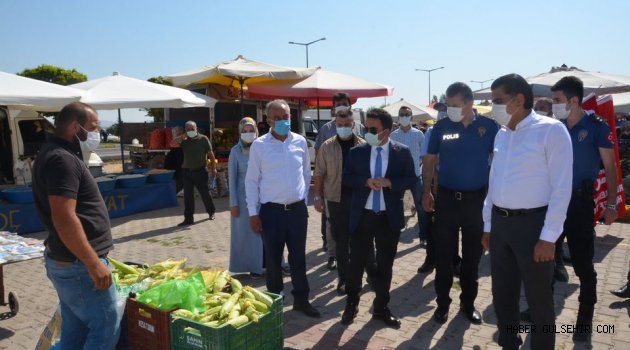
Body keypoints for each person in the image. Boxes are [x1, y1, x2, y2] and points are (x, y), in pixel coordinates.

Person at [483, 74, 573, 350]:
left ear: (519, 100)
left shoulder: (551, 130)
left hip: (534, 227)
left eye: (498, 100)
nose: (493, 106)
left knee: (539, 300)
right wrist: (488, 224)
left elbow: (561, 189)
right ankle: (509, 343)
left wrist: (549, 238)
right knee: (503, 294)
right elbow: (494, 181)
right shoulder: (502, 133)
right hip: (501, 225)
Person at [32, 102, 120, 349]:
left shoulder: (56, 153)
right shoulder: (61, 160)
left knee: (75, 329)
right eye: (93, 127)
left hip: (68, 262)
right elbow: (64, 217)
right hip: (78, 265)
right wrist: (93, 263)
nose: (97, 134)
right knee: (105, 327)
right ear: (75, 126)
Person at [422, 82, 498, 325]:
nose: (450, 109)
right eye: (448, 105)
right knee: (444, 257)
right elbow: (430, 161)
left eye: (455, 105)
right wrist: (427, 192)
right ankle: (442, 304)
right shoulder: (441, 128)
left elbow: (498, 163)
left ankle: (468, 303)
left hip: (476, 202)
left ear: (469, 103)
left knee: (472, 257)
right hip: (446, 200)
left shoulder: (489, 127)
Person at [550, 76, 619, 342]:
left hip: (579, 204)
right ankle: (539, 312)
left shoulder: (596, 127)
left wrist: (612, 204)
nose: (553, 106)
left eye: (557, 101)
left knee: (583, 266)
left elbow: (611, 168)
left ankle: (584, 321)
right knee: (544, 261)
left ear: (574, 101)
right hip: (555, 202)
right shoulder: (555, 127)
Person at [340, 108, 416, 328]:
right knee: (356, 264)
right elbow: (347, 179)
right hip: (362, 217)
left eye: (373, 129)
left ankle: (381, 307)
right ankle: (351, 302)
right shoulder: (357, 153)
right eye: (366, 128)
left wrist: (390, 183)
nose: (369, 133)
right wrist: (365, 182)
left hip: (388, 218)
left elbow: (411, 179)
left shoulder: (402, 152)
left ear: (388, 130)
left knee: (385, 265)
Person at [245, 99, 320, 318]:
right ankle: (275, 302)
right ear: (268, 120)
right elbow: (251, 181)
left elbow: (306, 173)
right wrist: (252, 212)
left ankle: (301, 300)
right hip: (271, 213)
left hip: (297, 212)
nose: (282, 121)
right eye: (276, 118)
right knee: (274, 261)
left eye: (285, 117)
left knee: (298, 258)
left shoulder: (299, 142)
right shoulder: (259, 146)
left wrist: (301, 197)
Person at [313, 106, 373, 295]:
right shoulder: (326, 146)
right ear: (335, 124)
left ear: (353, 124)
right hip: (335, 200)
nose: (344, 127)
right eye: (340, 125)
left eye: (347, 124)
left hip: (359, 200)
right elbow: (319, 173)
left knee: (364, 240)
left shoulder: (364, 145)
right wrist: (317, 196)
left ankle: (371, 274)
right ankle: (343, 279)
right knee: (341, 241)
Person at [314, 93, 365, 269]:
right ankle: (333, 255)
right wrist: (317, 195)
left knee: (355, 227)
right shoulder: (325, 130)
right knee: (331, 226)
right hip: (333, 190)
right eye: (338, 105)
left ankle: (354, 256)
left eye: (345, 104)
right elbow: (320, 166)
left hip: (356, 192)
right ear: (333, 109)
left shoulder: (360, 128)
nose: (341, 107)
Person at [229, 117, 264, 278]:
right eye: (245, 131)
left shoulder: (263, 147)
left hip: (263, 196)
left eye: (251, 131)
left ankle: (272, 263)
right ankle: (252, 266)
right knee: (248, 234)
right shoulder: (235, 151)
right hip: (243, 199)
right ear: (240, 132)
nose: (248, 134)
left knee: (267, 231)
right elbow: (232, 178)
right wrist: (233, 203)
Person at [390, 106, 427, 246]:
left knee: (420, 207)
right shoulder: (393, 135)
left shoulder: (419, 134)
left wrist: (417, 165)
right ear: (398, 117)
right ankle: (395, 234)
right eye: (402, 114)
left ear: (412, 117)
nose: (404, 116)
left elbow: (424, 154)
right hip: (399, 177)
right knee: (396, 205)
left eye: (407, 114)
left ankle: (423, 235)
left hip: (415, 176)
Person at [170, 121, 217, 226]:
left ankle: (211, 212)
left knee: (205, 194)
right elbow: (172, 144)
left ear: (196, 129)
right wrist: (183, 136)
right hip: (187, 172)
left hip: (200, 171)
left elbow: (211, 154)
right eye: (188, 129)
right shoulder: (184, 140)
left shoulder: (203, 139)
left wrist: (213, 168)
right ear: (185, 130)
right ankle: (188, 219)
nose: (191, 131)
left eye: (192, 129)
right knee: (188, 197)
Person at [164, 126, 185, 194]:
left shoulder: (179, 147)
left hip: (177, 169)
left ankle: (178, 191)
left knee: (178, 180)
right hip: (176, 169)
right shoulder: (175, 147)